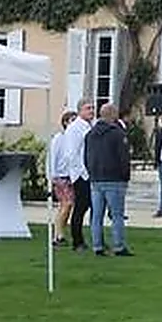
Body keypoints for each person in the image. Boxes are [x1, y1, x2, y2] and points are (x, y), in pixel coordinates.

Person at [84, 102, 133, 257]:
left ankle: (97, 245)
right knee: (117, 215)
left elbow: (86, 157)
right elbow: (123, 158)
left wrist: (91, 172)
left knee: (96, 216)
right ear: (112, 115)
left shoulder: (90, 134)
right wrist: (125, 176)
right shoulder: (117, 134)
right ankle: (118, 246)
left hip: (96, 179)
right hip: (114, 179)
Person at [64, 99, 95, 250]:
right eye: (88, 108)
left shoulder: (89, 126)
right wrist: (82, 173)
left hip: (89, 173)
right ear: (80, 111)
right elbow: (72, 153)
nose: (91, 111)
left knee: (89, 206)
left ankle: (89, 239)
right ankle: (77, 241)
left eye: (92, 108)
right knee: (81, 207)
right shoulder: (75, 128)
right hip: (81, 175)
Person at [47, 110, 77, 245]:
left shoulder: (72, 139)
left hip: (70, 176)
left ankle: (60, 232)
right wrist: (52, 175)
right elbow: (53, 157)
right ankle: (58, 234)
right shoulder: (59, 138)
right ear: (65, 123)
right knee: (67, 204)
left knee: (66, 206)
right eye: (72, 120)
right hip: (60, 176)